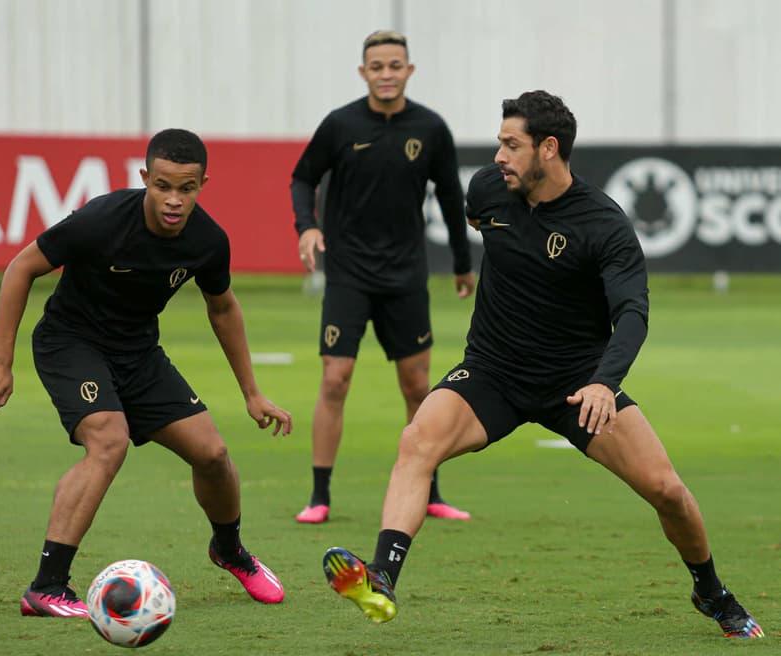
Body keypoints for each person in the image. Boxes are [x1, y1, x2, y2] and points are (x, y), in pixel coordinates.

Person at [321, 91, 764, 638]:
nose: (498, 156)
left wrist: (605, 383)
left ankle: (712, 591)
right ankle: (382, 578)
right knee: (417, 443)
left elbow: (632, 312)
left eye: (511, 145)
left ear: (548, 149)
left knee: (667, 491)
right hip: (492, 371)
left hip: (576, 384)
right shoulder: (488, 191)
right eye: (498, 143)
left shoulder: (603, 223)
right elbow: (481, 226)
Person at [0, 129, 292, 617]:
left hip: (139, 353)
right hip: (70, 342)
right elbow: (21, 268)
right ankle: (47, 586)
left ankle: (229, 551)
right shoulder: (102, 220)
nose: (173, 200)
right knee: (109, 439)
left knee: (213, 454)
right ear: (145, 178)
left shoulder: (208, 241)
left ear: (202, 184)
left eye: (186, 189)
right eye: (163, 186)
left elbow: (223, 308)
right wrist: (1, 360)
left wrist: (252, 393)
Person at [290, 29, 477, 525]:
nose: (387, 74)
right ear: (364, 72)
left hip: (405, 276)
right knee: (335, 379)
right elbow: (302, 176)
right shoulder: (340, 124)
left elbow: (450, 198)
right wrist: (307, 227)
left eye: (396, 65)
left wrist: (462, 263)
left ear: (409, 70)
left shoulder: (431, 128)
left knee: (419, 386)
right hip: (349, 274)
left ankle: (431, 491)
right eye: (378, 66)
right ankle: (319, 495)